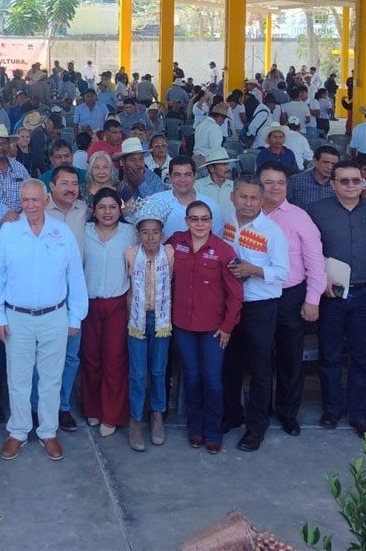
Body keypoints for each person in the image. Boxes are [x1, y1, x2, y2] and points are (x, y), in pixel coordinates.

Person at [0, 180, 87, 462]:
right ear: (20, 202)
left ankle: (48, 431)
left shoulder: (62, 233)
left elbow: (75, 275)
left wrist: (76, 315)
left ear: (46, 200)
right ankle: (18, 432)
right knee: (18, 379)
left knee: (50, 378)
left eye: (36, 200)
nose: (30, 205)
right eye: (25, 200)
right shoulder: (8, 233)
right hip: (17, 317)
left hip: (54, 316)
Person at [308, 159, 366, 439]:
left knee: (363, 356)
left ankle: (360, 414)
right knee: (329, 354)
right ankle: (332, 409)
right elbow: (309, 251)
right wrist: (321, 278)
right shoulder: (317, 211)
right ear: (333, 184)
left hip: (365, 293)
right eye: (344, 180)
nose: (351, 185)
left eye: (356, 180)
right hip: (331, 294)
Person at [219, 175, 290, 451]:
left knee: (260, 369)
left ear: (262, 200)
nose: (248, 203)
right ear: (233, 197)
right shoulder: (226, 222)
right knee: (230, 363)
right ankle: (231, 414)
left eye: (254, 198)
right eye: (243, 197)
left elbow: (283, 272)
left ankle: (256, 427)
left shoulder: (272, 231)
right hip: (229, 305)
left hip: (260, 307)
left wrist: (254, 270)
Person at [256, 162, 326, 437]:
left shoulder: (300, 217)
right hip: (257, 296)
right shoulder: (247, 215)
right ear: (259, 185)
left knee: (290, 358)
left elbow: (315, 261)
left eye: (280, 182)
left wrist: (313, 299)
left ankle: (288, 413)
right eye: (269, 182)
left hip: (290, 296)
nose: (275, 188)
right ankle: (259, 412)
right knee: (260, 357)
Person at [169, 200, 243, 453]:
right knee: (191, 377)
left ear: (211, 222)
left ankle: (213, 431)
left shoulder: (224, 251)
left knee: (212, 379)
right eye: (194, 218)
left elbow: (235, 294)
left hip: (214, 327)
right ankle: (195, 428)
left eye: (204, 219)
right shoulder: (176, 243)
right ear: (187, 221)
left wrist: (228, 326)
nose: (199, 224)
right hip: (183, 324)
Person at [80, 189, 136, 439]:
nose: (107, 212)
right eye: (102, 207)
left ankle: (111, 414)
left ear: (120, 210)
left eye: (112, 207)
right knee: (91, 359)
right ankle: (91, 408)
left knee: (114, 360)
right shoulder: (84, 232)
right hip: (89, 304)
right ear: (94, 210)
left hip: (117, 304)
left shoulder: (130, 232)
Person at [123, 200, 175, 452]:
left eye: (155, 232)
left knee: (158, 371)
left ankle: (156, 416)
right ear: (138, 234)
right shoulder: (131, 254)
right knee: (137, 373)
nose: (151, 237)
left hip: (162, 319)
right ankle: (135, 420)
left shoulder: (170, 254)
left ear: (162, 234)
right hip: (137, 320)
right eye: (145, 232)